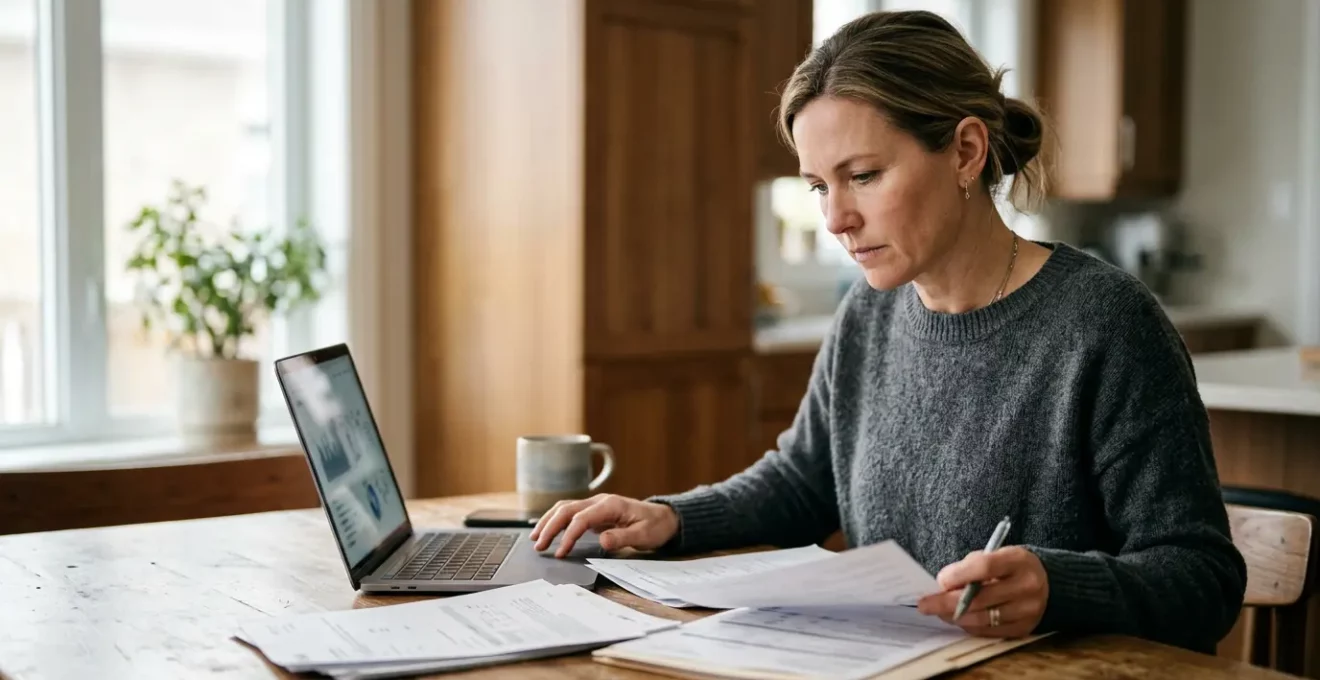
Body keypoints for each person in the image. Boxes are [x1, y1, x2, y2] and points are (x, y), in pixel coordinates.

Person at [530, 9, 1246, 654]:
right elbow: (803, 483)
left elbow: (1203, 579)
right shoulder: (870, 312)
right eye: (818, 186)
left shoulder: (1106, 324)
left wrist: (1058, 586)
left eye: (863, 175)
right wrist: (669, 518)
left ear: (966, 151)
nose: (835, 218)